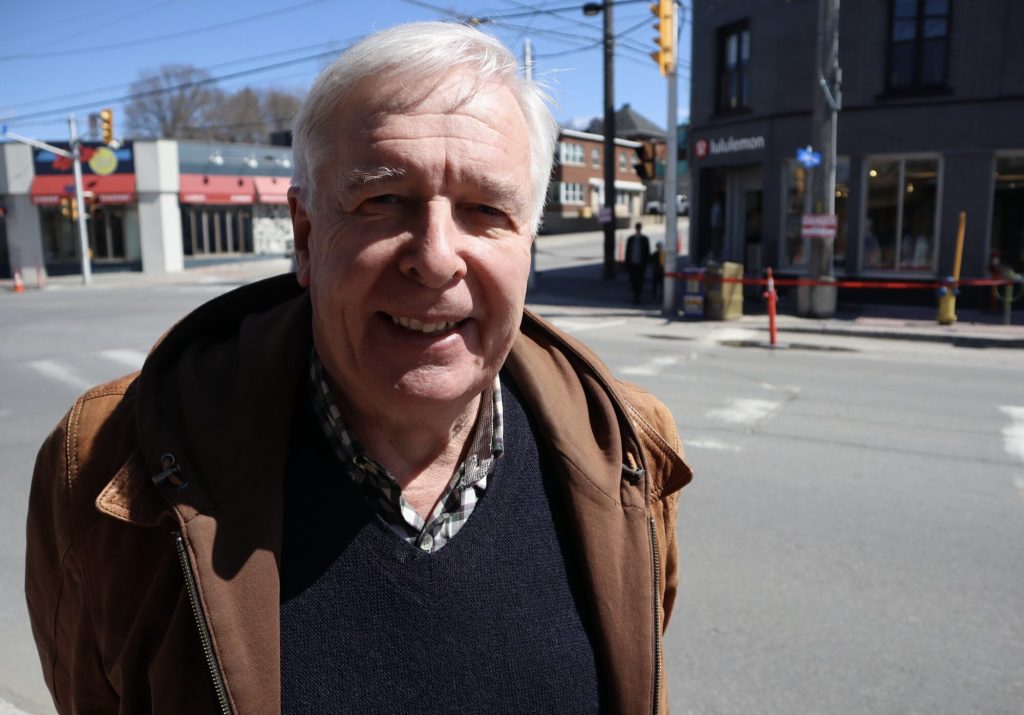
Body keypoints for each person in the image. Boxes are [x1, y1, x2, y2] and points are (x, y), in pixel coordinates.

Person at [25, 22, 691, 714]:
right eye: (382, 201)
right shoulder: (111, 461)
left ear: (527, 244)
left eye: (486, 210)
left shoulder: (627, 455)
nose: (435, 258)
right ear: (307, 237)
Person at [625, 222, 651, 304]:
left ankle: (638, 296)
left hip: (641, 263)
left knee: (640, 280)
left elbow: (647, 251)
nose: (638, 230)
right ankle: (635, 295)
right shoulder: (631, 239)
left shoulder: (644, 239)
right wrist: (627, 262)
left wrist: (648, 262)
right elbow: (627, 251)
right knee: (633, 280)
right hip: (632, 263)